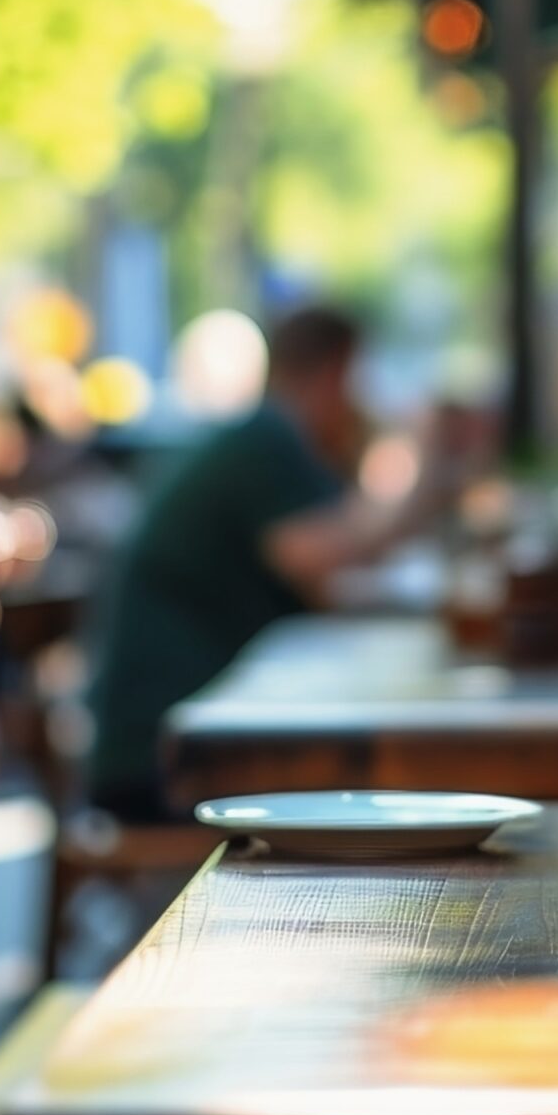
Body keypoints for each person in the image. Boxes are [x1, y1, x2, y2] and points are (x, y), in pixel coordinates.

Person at [84, 305, 446, 819]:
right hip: (161, 756)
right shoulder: (266, 437)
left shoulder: (269, 437)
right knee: (378, 804)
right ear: (335, 373)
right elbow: (323, 556)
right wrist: (425, 460)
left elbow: (331, 582)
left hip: (183, 738)